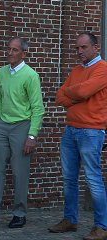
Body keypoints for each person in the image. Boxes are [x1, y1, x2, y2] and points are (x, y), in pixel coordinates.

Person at [49, 32, 107, 240]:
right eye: (77, 48)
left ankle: (102, 226)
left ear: (95, 47)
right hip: (70, 130)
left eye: (83, 47)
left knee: (93, 178)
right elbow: (59, 96)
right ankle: (70, 220)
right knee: (68, 179)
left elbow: (82, 93)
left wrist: (73, 93)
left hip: (91, 131)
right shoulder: (76, 70)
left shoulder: (103, 69)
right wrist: (76, 94)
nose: (79, 51)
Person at [0, 37, 45, 228]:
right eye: (9, 49)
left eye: (14, 50)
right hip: (1, 126)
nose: (10, 53)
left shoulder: (30, 76)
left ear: (23, 54)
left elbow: (38, 108)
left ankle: (19, 213)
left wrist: (32, 135)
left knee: (19, 172)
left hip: (22, 126)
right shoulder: (1, 73)